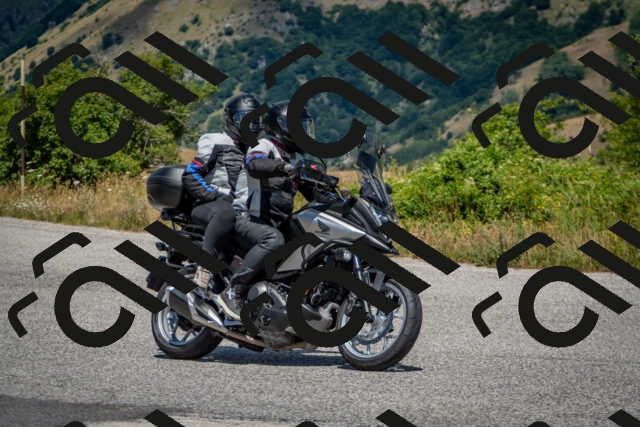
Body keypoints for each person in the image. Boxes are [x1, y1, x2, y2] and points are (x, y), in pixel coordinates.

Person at [214, 100, 339, 321]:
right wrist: (284, 168)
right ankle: (235, 290)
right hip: (247, 218)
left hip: (274, 224)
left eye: (305, 126)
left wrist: (344, 202)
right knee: (273, 240)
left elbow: (313, 194)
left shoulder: (296, 159)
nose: (303, 132)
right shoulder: (264, 145)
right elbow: (254, 164)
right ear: (281, 126)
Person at [182, 93, 264, 290]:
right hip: (209, 207)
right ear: (231, 119)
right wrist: (217, 196)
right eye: (244, 119)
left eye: (255, 120)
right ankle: (205, 267)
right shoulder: (216, 141)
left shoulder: (256, 151)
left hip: (241, 213)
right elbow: (191, 175)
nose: (251, 125)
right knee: (227, 212)